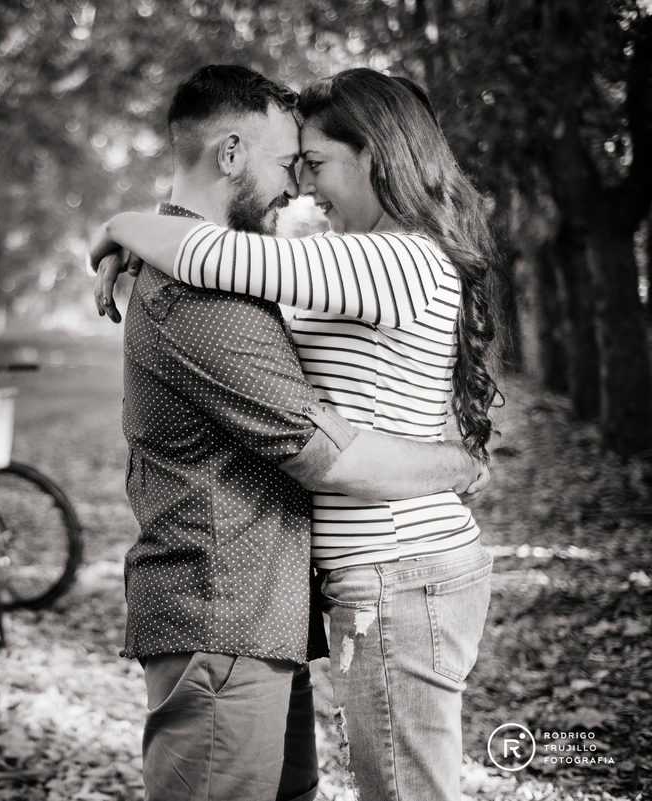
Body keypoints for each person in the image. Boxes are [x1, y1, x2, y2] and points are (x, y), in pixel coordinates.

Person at [91, 67, 499, 801]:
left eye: (314, 165)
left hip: (401, 567)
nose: (302, 190)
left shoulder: (393, 257)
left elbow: (217, 255)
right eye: (293, 165)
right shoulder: (352, 259)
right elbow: (219, 262)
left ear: (372, 156)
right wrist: (148, 237)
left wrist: (123, 227)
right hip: (362, 578)